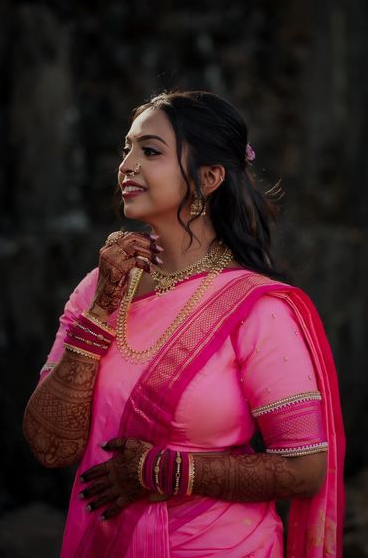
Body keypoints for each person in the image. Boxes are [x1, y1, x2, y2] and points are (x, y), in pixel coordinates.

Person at [23, 90, 345, 557]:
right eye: (127, 148)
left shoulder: (257, 308)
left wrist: (165, 471)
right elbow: (49, 447)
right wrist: (99, 314)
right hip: (105, 541)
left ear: (209, 177)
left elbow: (305, 468)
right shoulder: (101, 286)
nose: (127, 165)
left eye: (150, 151)